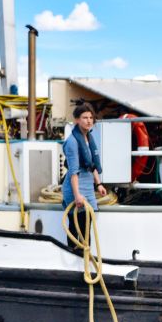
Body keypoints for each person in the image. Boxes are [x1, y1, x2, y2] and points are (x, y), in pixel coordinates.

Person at [62, 103, 107, 248]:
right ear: (76, 120)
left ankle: (85, 260)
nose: (88, 120)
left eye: (91, 117)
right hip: (76, 188)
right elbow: (73, 172)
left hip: (88, 187)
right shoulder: (72, 142)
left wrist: (98, 183)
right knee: (77, 228)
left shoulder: (89, 138)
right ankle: (75, 260)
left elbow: (91, 164)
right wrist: (77, 196)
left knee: (87, 226)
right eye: (84, 117)